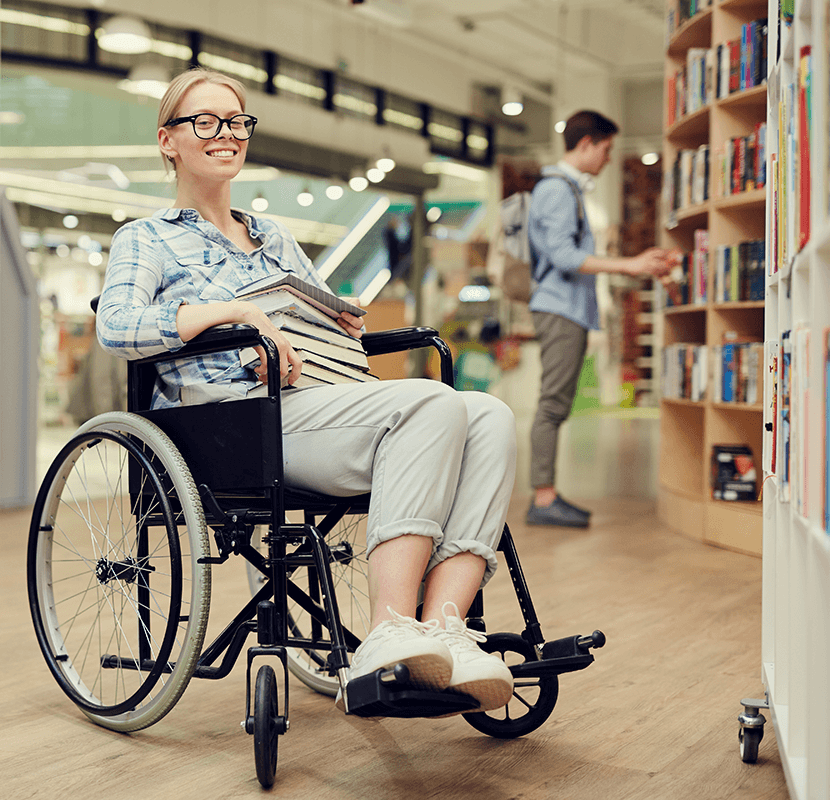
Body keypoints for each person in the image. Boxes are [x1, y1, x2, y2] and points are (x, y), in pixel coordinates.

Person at [96, 67, 517, 715]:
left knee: (488, 414)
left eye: (236, 122)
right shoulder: (147, 239)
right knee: (430, 401)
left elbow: (310, 323)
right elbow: (117, 326)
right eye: (205, 122)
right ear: (168, 141)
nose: (226, 134)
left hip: (304, 404)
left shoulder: (276, 239)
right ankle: (388, 631)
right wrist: (231, 314)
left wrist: (333, 318)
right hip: (226, 430)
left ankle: (444, 631)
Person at [525, 110, 676, 528]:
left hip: (564, 308)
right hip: (559, 308)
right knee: (552, 404)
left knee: (555, 403)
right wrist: (630, 265)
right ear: (587, 143)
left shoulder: (564, 189)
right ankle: (542, 498)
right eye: (606, 149)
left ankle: (546, 494)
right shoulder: (557, 190)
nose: (609, 159)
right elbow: (564, 257)